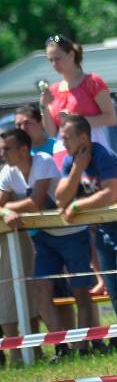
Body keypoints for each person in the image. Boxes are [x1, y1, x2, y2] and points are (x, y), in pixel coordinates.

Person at [57, 114, 117, 347]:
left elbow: (110, 195)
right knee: (113, 288)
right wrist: (77, 170)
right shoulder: (71, 161)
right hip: (103, 232)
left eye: (67, 138)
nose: (62, 143)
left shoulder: (104, 156)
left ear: (83, 137)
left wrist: (77, 205)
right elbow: (59, 198)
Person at [0, 129, 44, 361]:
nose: (2, 152)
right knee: (5, 295)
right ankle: (15, 354)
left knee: (26, 291)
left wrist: (8, 208)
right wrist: (7, 209)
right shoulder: (7, 170)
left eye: (6, 147)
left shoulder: (9, 170)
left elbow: (35, 202)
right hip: (5, 238)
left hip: (17, 237)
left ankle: (34, 349)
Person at [40, 34, 117, 156]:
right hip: (64, 152)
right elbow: (52, 132)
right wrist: (43, 106)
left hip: (92, 147)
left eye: (58, 58)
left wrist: (75, 120)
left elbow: (111, 118)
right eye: (51, 60)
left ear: (71, 54)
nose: (54, 64)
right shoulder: (53, 90)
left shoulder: (92, 82)